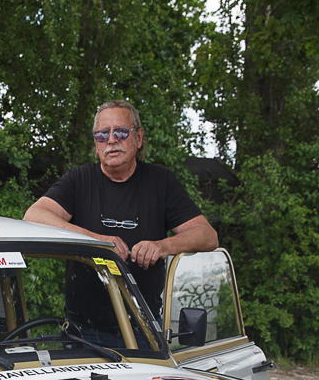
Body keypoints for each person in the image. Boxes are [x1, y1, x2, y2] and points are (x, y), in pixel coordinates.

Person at [24, 100, 218, 320]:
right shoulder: (79, 180)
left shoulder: (161, 181)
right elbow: (34, 216)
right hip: (84, 328)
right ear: (96, 144)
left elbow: (207, 235)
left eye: (121, 132)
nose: (111, 140)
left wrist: (162, 246)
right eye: (102, 134)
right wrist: (99, 243)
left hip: (145, 326)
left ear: (139, 138)